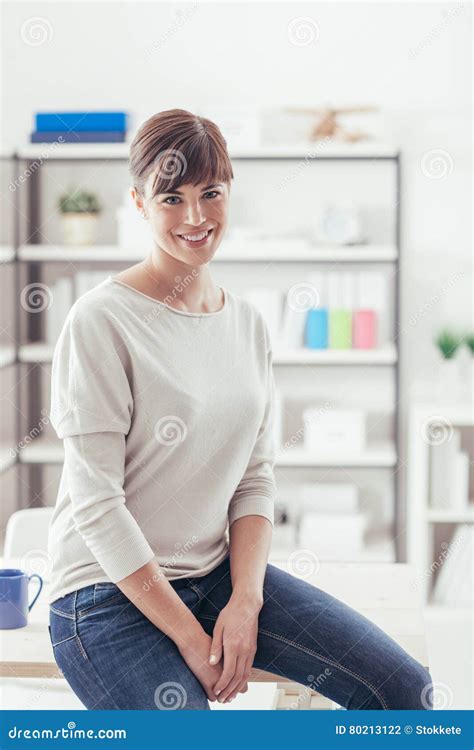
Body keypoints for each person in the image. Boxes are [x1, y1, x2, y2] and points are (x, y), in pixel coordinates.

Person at [48, 109, 433, 710]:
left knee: (406, 691)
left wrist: (245, 602)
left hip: (217, 578)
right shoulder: (101, 321)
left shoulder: (248, 325)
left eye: (211, 193)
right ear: (139, 203)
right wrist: (191, 639)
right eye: (171, 197)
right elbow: (97, 505)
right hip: (107, 594)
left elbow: (254, 480)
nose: (196, 216)